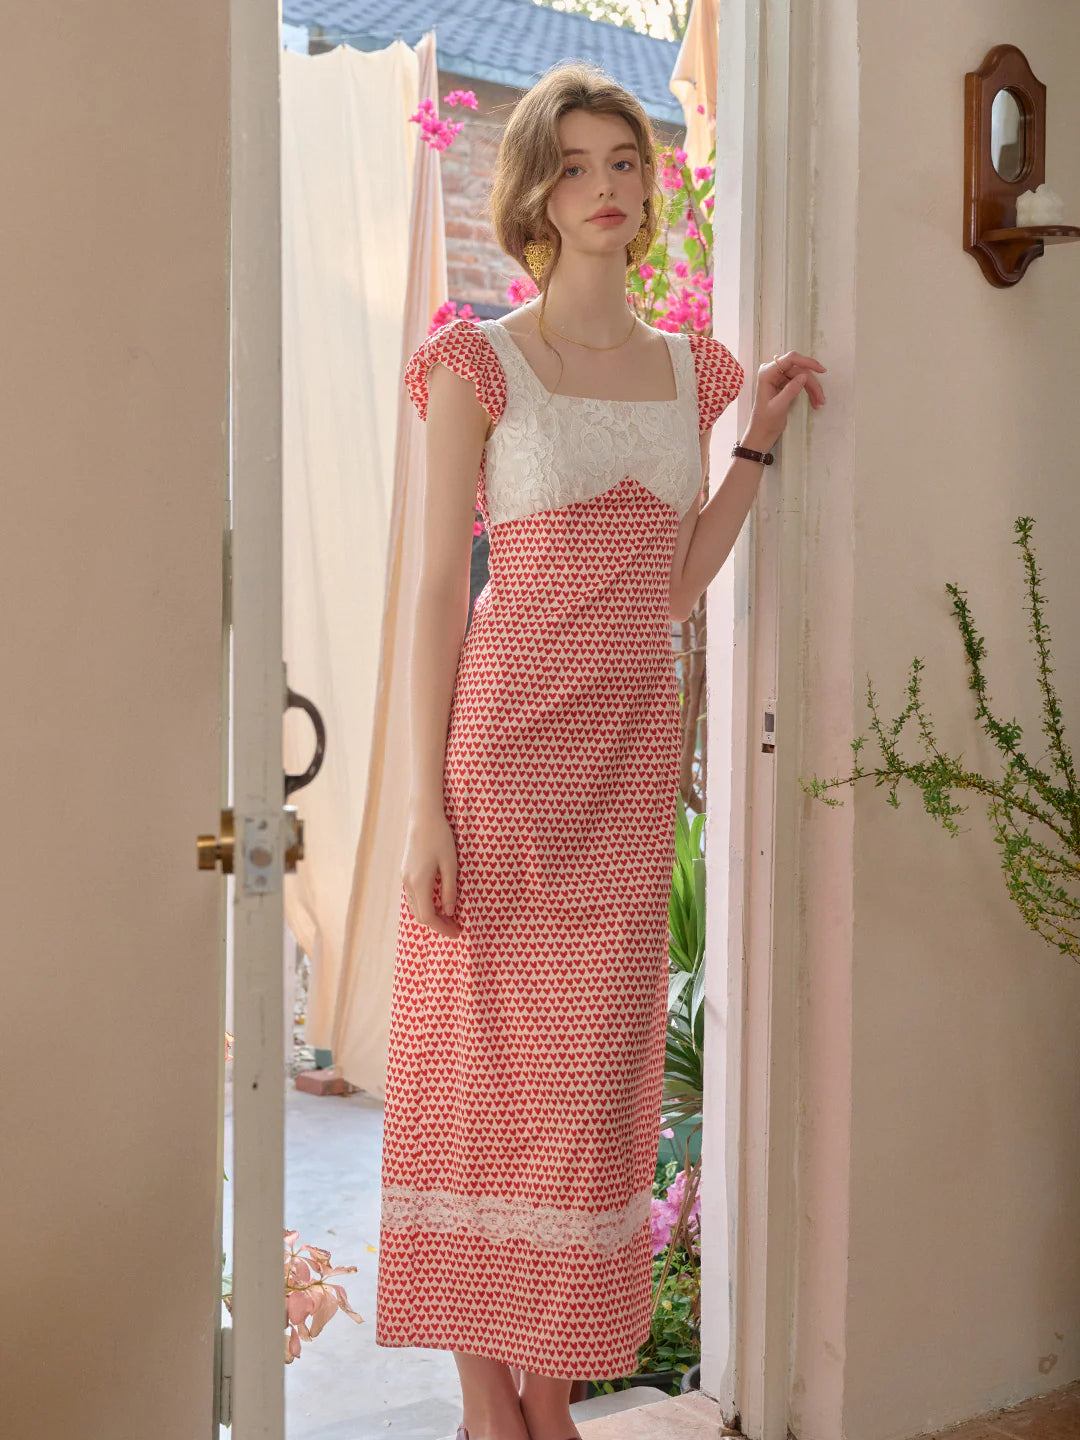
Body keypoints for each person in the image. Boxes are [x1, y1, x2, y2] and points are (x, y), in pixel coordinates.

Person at [375, 60, 826, 1440]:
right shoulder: (479, 362)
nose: (607, 187)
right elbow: (439, 592)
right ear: (535, 192)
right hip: (503, 757)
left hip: (627, 763)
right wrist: (425, 806)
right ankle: (489, 1406)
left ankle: (549, 1391)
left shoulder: (694, 373)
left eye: (625, 161)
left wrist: (751, 452)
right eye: (574, 166)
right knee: (478, 1072)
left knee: (588, 1085)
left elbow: (673, 584)